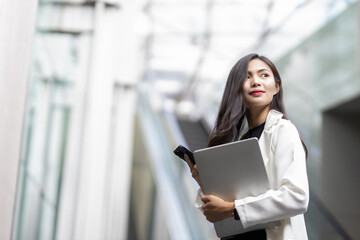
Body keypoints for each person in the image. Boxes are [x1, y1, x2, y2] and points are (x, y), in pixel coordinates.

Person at [184, 53, 309, 240]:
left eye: (264, 75)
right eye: (247, 76)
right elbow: (223, 209)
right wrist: (205, 183)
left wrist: (231, 208)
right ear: (237, 88)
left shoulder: (283, 130)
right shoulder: (240, 143)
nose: (256, 81)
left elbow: (297, 196)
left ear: (276, 87)